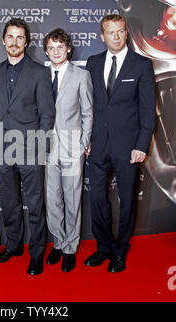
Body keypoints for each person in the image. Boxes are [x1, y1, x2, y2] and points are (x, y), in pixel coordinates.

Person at [84, 14, 156, 272]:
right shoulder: (92, 63)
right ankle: (103, 247)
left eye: (121, 31)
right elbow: (87, 106)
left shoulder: (141, 65)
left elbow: (148, 110)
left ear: (126, 33)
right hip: (97, 144)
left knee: (127, 200)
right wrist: (85, 138)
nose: (116, 36)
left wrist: (141, 145)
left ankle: (120, 251)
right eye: (111, 32)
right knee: (98, 200)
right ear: (102, 36)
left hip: (129, 146)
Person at [0, 18, 55, 275]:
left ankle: (36, 253)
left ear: (26, 42)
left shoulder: (39, 72)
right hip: (1, 148)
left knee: (35, 203)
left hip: (30, 148)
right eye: (10, 37)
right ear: (3, 40)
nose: (14, 42)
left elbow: (47, 115)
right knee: (9, 201)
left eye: (19, 37)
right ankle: (14, 245)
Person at [43, 28, 93, 273]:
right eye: (51, 48)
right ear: (46, 51)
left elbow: (87, 112)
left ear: (69, 48)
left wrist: (84, 142)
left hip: (73, 146)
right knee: (53, 199)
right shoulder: (42, 75)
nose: (55, 51)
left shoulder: (81, 76)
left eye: (60, 47)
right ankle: (59, 243)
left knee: (72, 199)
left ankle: (71, 248)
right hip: (47, 148)